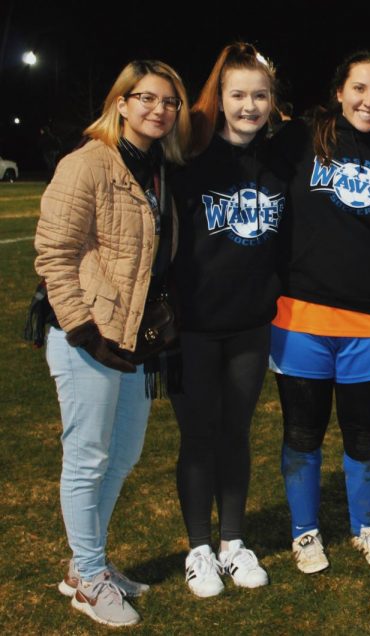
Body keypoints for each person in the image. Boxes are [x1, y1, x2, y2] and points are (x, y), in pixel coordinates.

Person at [35, 60, 190, 626]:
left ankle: (86, 565)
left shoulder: (158, 168)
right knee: (88, 457)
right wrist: (81, 329)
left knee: (121, 456)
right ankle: (89, 574)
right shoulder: (89, 162)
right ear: (120, 102)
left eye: (169, 102)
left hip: (134, 340)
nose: (158, 109)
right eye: (146, 98)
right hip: (88, 337)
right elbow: (54, 253)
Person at [269, 51, 370, 571]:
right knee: (302, 432)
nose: (368, 101)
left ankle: (366, 528)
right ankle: (305, 533)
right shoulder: (300, 139)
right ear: (339, 90)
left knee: (364, 432)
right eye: (360, 88)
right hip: (301, 313)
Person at [169, 42, 282, 597]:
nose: (249, 106)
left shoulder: (279, 158)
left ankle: (232, 542)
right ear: (219, 97)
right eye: (238, 95)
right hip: (192, 327)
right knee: (198, 435)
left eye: (259, 95)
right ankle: (198, 548)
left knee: (236, 432)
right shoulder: (187, 155)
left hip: (251, 324)